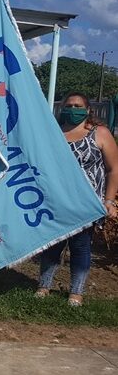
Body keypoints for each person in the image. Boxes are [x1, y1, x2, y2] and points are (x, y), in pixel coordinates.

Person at [36, 93, 118, 306]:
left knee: (80, 247)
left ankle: (76, 292)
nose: (73, 109)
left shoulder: (100, 134)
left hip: (86, 204)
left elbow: (113, 169)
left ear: (88, 109)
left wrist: (109, 201)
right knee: (52, 245)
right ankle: (44, 286)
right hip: (57, 201)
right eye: (69, 105)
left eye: (78, 106)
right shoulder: (53, 133)